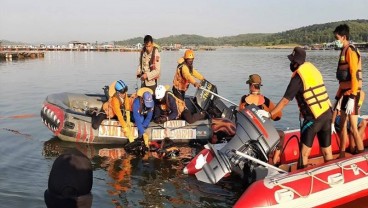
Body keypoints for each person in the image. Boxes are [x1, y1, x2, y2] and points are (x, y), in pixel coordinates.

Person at [258, 47, 333, 169]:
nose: (291, 63)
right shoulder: (312, 69)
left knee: (304, 153)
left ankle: (302, 178)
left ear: (296, 62)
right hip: (327, 113)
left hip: (313, 119)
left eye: (292, 61)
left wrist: (270, 114)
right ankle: (332, 173)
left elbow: (285, 100)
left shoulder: (298, 77)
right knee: (327, 151)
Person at [332, 24, 364, 158]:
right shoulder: (342, 51)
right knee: (343, 125)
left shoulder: (350, 51)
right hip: (344, 94)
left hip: (352, 95)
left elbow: (354, 75)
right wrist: (336, 97)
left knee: (354, 128)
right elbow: (342, 81)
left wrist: (352, 98)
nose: (335, 40)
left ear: (344, 37)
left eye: (337, 38)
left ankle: (362, 155)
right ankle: (342, 154)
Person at [239, 74, 284, 165]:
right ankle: (275, 159)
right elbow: (278, 117)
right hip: (263, 136)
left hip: (248, 134)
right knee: (282, 134)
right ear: (259, 86)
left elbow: (240, 115)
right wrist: (269, 115)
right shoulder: (266, 101)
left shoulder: (244, 99)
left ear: (251, 86)